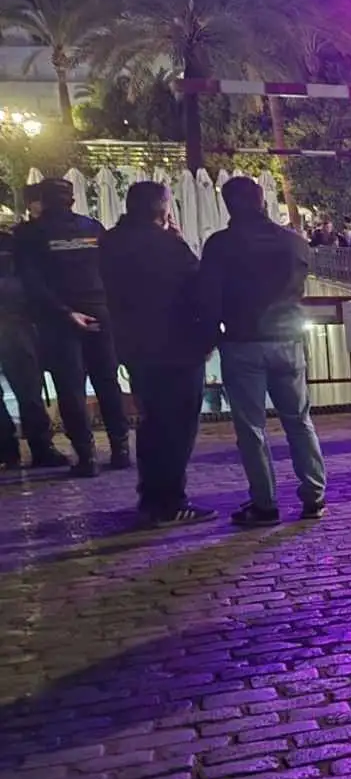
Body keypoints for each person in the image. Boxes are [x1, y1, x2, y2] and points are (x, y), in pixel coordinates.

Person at [199, 176, 327, 526]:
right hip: (288, 339)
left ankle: (265, 503)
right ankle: (314, 495)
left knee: (251, 428)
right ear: (262, 201)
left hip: (242, 342)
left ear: (228, 205)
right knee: (299, 422)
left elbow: (208, 296)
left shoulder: (220, 245)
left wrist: (209, 337)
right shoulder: (294, 243)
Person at [101, 181, 215, 526]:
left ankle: (150, 495)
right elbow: (199, 287)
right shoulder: (169, 248)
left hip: (135, 348)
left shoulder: (110, 243)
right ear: (163, 210)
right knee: (177, 427)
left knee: (151, 423)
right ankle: (171, 501)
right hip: (177, 350)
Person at [13, 177, 131, 476]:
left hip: (59, 319)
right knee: (107, 381)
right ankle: (121, 450)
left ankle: (87, 457)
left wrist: (66, 312)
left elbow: (32, 282)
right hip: (99, 312)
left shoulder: (29, 234)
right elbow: (114, 270)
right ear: (73, 200)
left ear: (42, 201)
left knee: (70, 387)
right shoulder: (92, 228)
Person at [1, 216, 65, 469]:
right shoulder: (12, 242)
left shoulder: (11, 242)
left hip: (15, 322)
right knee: (29, 390)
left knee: (29, 390)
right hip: (15, 321)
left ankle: (13, 450)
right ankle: (38, 448)